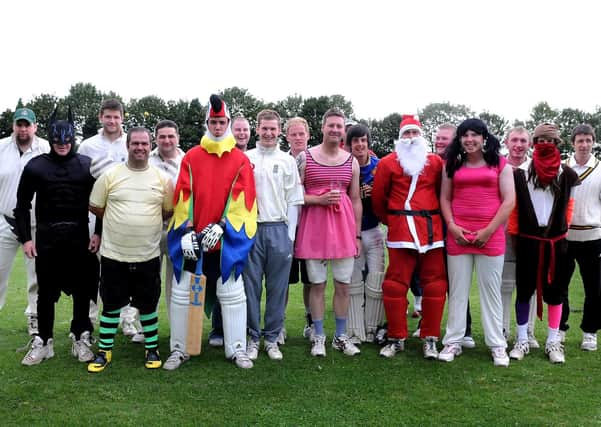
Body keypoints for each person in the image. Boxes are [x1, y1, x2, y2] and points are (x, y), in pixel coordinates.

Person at [164, 94, 256, 370]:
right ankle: (182, 348)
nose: (218, 126)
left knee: (232, 292)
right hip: (196, 240)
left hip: (226, 241)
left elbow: (245, 200)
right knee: (185, 293)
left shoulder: (240, 159)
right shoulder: (192, 156)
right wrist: (188, 231)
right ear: (208, 122)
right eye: (214, 121)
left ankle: (237, 348)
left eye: (222, 122)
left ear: (227, 123)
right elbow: (183, 196)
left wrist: (224, 226)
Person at [15, 109, 99, 365]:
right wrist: (27, 239)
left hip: (79, 237)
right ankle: (44, 340)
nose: (62, 145)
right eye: (57, 141)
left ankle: (80, 336)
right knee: (46, 293)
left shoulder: (86, 165)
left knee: (83, 291)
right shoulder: (36, 166)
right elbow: (22, 205)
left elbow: (102, 203)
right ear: (50, 139)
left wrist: (98, 233)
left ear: (73, 138)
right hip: (48, 238)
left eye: (66, 141)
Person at [87, 127, 174, 372]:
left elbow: (167, 211)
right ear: (128, 146)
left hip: (147, 254)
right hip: (115, 254)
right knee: (112, 305)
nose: (140, 148)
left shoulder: (161, 179)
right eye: (135, 143)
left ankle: (152, 349)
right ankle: (104, 352)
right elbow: (97, 207)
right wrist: (122, 220)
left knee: (147, 305)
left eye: (144, 144)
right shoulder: (110, 176)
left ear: (150, 146)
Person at [438, 118, 514, 367]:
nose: (469, 139)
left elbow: (508, 201)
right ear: (459, 139)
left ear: (484, 138)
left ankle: (497, 345)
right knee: (458, 292)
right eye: (464, 135)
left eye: (474, 135)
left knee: (490, 292)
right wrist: (452, 226)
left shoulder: (500, 164)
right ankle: (453, 341)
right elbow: (445, 199)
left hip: (490, 238)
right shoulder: (452, 164)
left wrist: (488, 231)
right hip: (458, 235)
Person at [371, 115, 447, 358]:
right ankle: (396, 336)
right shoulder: (387, 163)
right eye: (407, 134)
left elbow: (440, 193)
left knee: (435, 284)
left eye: (415, 133)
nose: (411, 138)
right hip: (401, 229)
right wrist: (393, 219)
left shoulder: (435, 163)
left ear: (422, 136)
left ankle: (430, 337)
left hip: (430, 229)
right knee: (394, 285)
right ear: (400, 137)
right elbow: (378, 199)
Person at [508, 123, 579, 364]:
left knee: (556, 292)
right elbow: (515, 209)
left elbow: (569, 205)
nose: (544, 145)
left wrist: (562, 230)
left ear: (557, 144)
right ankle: (522, 339)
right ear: (534, 144)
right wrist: (517, 237)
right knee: (524, 290)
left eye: (550, 141)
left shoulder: (568, 175)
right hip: (528, 241)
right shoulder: (521, 173)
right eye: (540, 141)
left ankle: (552, 342)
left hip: (556, 242)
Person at [295, 108, 362, 357]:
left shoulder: (351, 161)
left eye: (339, 126)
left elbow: (355, 199)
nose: (335, 130)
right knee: (318, 285)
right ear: (323, 127)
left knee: (343, 285)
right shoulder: (305, 157)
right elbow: (294, 195)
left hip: (343, 231)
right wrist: (318, 200)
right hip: (314, 230)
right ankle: (319, 336)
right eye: (331, 125)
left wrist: (356, 235)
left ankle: (341, 337)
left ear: (343, 130)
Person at [78, 99, 143, 342]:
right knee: (97, 269)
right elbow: (81, 179)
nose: (112, 121)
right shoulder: (88, 145)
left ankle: (128, 319)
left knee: (126, 268)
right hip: (94, 212)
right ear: (100, 117)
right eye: (108, 116)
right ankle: (95, 317)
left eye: (117, 117)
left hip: (125, 215)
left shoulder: (130, 143)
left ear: (122, 118)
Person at [244, 110, 303, 361]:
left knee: (278, 288)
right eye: (264, 128)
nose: (268, 133)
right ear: (257, 129)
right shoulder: (246, 158)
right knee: (251, 287)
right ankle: (253, 337)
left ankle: (272, 338)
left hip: (279, 229)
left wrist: (289, 236)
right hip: (251, 229)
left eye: (273, 129)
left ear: (279, 131)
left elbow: (294, 199)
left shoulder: (287, 160)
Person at [0, 107, 49, 337]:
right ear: (13, 126)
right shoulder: (1, 148)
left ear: (35, 127)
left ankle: (35, 319)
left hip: (35, 225)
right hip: (5, 221)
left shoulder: (46, 148)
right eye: (19, 124)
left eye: (27, 125)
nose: (23, 129)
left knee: (36, 276)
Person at [557, 124, 601, 352]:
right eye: (580, 140)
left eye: (588, 140)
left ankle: (590, 332)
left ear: (593, 141)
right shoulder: (563, 167)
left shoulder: (600, 168)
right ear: (572, 142)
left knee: (594, 288)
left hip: (593, 236)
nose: (584, 145)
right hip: (565, 236)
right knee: (560, 284)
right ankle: (560, 328)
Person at [344, 124, 385, 344]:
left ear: (368, 142)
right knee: (353, 281)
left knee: (376, 279)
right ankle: (354, 330)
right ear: (349, 144)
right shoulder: (344, 165)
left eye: (363, 140)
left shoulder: (380, 166)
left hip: (374, 229)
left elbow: (390, 195)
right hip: (351, 232)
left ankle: (373, 328)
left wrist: (375, 192)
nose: (360, 145)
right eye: (355, 141)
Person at [501, 127, 538, 346]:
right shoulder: (497, 166)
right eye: (514, 140)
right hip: (503, 233)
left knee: (529, 285)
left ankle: (528, 332)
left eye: (523, 140)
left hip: (529, 235)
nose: (518, 144)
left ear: (530, 144)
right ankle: (503, 330)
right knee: (504, 285)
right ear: (506, 142)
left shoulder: (536, 168)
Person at [149, 120, 185, 319]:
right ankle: (147, 329)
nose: (166, 140)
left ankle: (177, 330)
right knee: (149, 281)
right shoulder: (146, 159)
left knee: (177, 283)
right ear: (156, 138)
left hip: (178, 229)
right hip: (151, 229)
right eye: (162, 136)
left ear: (177, 138)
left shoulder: (187, 161)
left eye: (171, 136)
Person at [285, 117, 313, 338]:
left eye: (300, 134)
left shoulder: (316, 160)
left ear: (308, 136)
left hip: (311, 227)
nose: (297, 138)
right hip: (285, 229)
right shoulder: (281, 160)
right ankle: (279, 323)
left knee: (311, 279)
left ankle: (311, 321)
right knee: (282, 279)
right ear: (287, 137)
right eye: (293, 134)